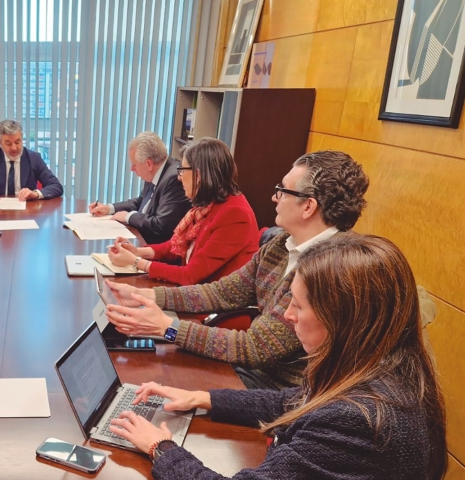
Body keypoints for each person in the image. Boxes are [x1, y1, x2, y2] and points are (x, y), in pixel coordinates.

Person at [107, 234, 447, 480]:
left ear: (342, 319)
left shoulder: (357, 418)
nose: (287, 315)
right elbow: (297, 401)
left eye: (298, 305)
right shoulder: (378, 367)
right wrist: (205, 398)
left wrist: (161, 448)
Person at [105, 150, 370, 389]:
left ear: (308, 206)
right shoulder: (281, 244)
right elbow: (222, 293)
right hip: (252, 371)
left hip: (281, 392)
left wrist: (168, 327)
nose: (274, 197)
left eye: (283, 190)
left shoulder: (330, 269)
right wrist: (147, 297)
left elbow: (256, 347)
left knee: (150, 384)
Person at [106, 138, 259, 284]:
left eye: (182, 171)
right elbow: (176, 247)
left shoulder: (234, 214)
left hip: (213, 304)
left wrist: (136, 262)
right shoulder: (207, 203)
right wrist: (138, 252)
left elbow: (191, 275)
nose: (179, 178)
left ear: (197, 175)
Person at [88, 132, 190, 244]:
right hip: (141, 239)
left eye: (134, 164)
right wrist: (109, 208)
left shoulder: (174, 179)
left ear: (148, 164)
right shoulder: (156, 172)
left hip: (156, 249)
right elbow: (141, 202)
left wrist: (128, 217)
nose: (132, 169)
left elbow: (161, 225)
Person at [0, 119, 63, 204]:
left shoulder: (34, 158)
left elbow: (56, 186)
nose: (14, 148)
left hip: (28, 211)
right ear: (0, 143)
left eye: (17, 142)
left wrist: (35, 194)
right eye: (8, 143)